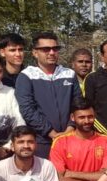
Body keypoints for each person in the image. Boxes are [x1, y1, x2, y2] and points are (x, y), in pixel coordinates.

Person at [15, 31, 82, 159]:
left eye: (55, 49)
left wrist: (70, 127)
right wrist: (51, 132)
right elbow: (27, 110)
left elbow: (78, 104)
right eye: (46, 49)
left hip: (70, 137)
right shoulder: (26, 76)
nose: (51, 52)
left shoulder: (69, 74)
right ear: (35, 53)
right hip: (42, 141)